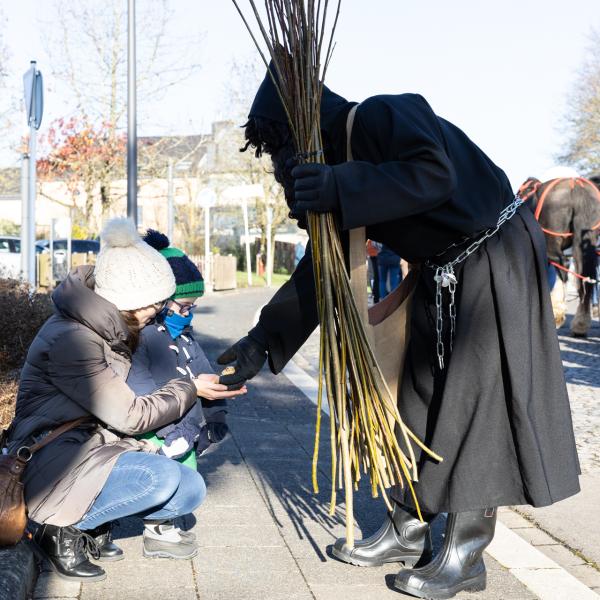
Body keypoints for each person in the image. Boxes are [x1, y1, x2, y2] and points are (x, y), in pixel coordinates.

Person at [217, 69, 581, 598]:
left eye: (284, 144)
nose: (283, 159)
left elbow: (434, 175)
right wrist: (261, 343)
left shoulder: (385, 113)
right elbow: (326, 268)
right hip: (441, 270)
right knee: (415, 400)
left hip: (494, 259)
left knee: (475, 406)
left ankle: (466, 552)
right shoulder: (334, 166)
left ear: (310, 125)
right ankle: (408, 528)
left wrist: (340, 185)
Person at [5, 218, 245, 583]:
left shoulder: (110, 326)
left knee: (190, 488)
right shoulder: (74, 340)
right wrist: (190, 388)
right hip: (53, 457)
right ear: (129, 300)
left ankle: (87, 521)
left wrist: (199, 384)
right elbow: (131, 415)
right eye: (155, 303)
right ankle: (54, 528)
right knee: (158, 478)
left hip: (90, 448)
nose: (160, 311)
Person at [127, 229, 232, 470]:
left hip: (185, 436)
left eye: (192, 307)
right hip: (155, 438)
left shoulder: (184, 338)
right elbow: (144, 394)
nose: (188, 314)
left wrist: (217, 417)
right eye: (184, 307)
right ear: (161, 300)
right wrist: (174, 437)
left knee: (187, 492)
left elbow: (205, 373)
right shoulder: (144, 338)